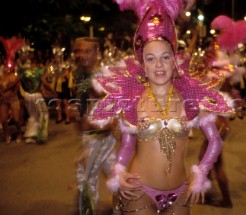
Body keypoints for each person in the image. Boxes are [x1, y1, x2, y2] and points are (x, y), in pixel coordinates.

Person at [88, 1, 234, 214]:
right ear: (143, 65)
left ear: (174, 61)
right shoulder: (131, 100)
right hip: (139, 191)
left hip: (180, 192)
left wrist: (201, 171)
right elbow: (127, 146)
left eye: (165, 57)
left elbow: (215, 140)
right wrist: (119, 170)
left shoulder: (192, 98)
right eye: (151, 58)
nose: (158, 65)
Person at [72, 37, 117, 215]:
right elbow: (81, 108)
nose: (81, 55)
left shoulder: (104, 75)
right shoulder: (81, 76)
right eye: (78, 51)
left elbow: (115, 102)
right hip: (90, 138)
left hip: (102, 137)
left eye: (87, 51)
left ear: (96, 53)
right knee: (109, 179)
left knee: (92, 180)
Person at [19, 65, 58, 144]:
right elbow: (45, 83)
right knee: (44, 114)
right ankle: (41, 136)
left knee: (33, 115)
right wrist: (53, 92)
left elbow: (19, 83)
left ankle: (30, 135)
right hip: (36, 95)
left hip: (27, 95)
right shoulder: (38, 73)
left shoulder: (24, 73)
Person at [0, 66, 22, 144]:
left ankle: (19, 133)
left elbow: (16, 88)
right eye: (5, 67)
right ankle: (7, 135)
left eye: (8, 67)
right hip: (4, 100)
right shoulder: (1, 78)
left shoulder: (15, 77)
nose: (7, 69)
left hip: (14, 100)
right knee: (3, 120)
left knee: (16, 119)